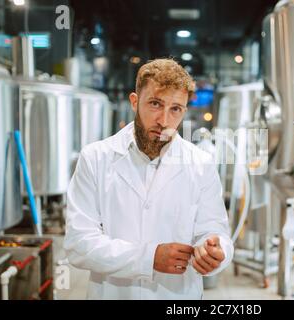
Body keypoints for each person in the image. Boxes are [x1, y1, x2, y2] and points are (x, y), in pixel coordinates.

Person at [64, 58, 233, 299]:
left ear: (184, 110)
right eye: (155, 103)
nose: (164, 121)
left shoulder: (201, 164)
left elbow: (215, 231)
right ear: (135, 101)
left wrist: (216, 253)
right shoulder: (95, 158)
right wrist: (149, 258)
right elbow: (78, 243)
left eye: (175, 109)